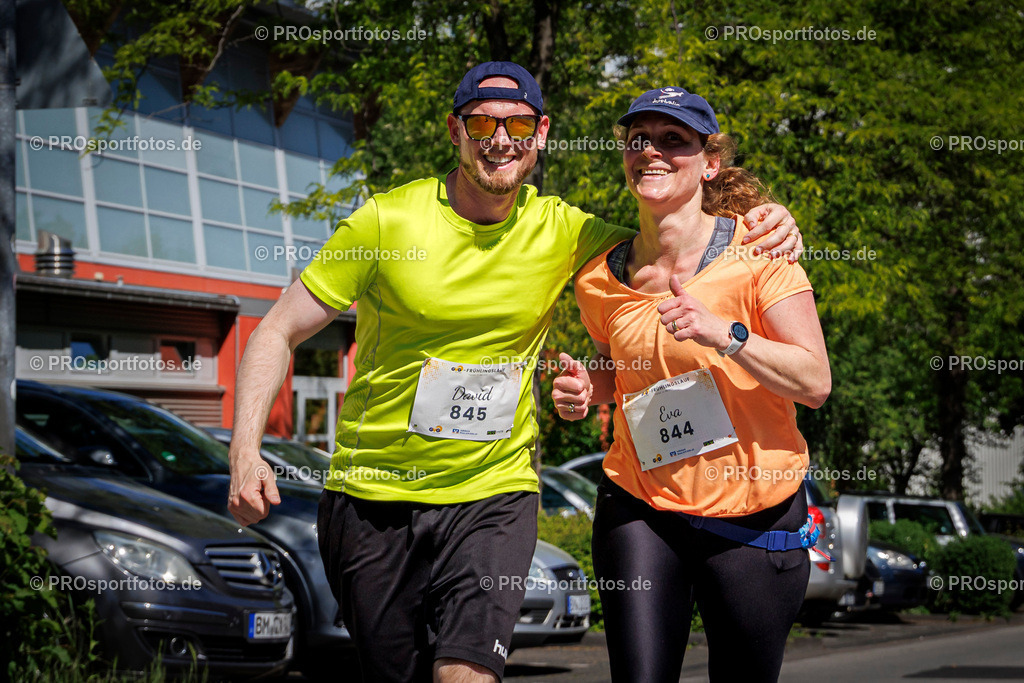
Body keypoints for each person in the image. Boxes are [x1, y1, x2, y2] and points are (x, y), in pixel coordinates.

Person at [227, 64, 802, 683]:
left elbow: (676, 233)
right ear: (455, 130)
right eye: (482, 123)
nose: (500, 140)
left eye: (518, 124)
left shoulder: (565, 231)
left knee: (467, 672)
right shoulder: (384, 224)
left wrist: (768, 218)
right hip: (373, 497)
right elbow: (274, 330)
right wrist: (245, 451)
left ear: (542, 132)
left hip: (493, 492)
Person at [552, 86, 831, 683]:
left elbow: (814, 382)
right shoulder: (600, 278)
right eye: (638, 141)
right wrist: (586, 386)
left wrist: (727, 334)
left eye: (673, 140)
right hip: (641, 506)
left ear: (709, 163)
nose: (651, 152)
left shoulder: (761, 253)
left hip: (753, 512)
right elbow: (624, 377)